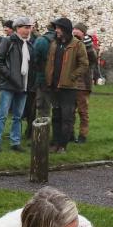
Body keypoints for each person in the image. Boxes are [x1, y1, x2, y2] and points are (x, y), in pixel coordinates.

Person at [44, 17, 88, 153]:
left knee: (67, 117)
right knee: (56, 116)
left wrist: (72, 77)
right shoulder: (54, 44)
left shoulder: (77, 45)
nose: (56, 30)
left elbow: (84, 64)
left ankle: (63, 145)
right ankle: (55, 143)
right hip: (54, 86)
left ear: (65, 29)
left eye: (58, 28)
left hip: (68, 88)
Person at [0, 16, 34, 153]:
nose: (28, 30)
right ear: (18, 28)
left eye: (30, 27)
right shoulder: (8, 41)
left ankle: (15, 141)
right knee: (2, 114)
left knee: (18, 116)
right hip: (9, 85)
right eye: (26, 27)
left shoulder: (30, 45)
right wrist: (9, 75)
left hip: (24, 85)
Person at [71, 22, 95, 143]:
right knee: (70, 110)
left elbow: (92, 59)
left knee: (82, 111)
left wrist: (85, 44)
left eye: (77, 29)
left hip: (83, 83)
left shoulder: (88, 43)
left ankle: (82, 135)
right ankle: (70, 134)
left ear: (83, 32)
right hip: (70, 82)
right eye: (74, 28)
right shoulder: (69, 42)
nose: (75, 31)